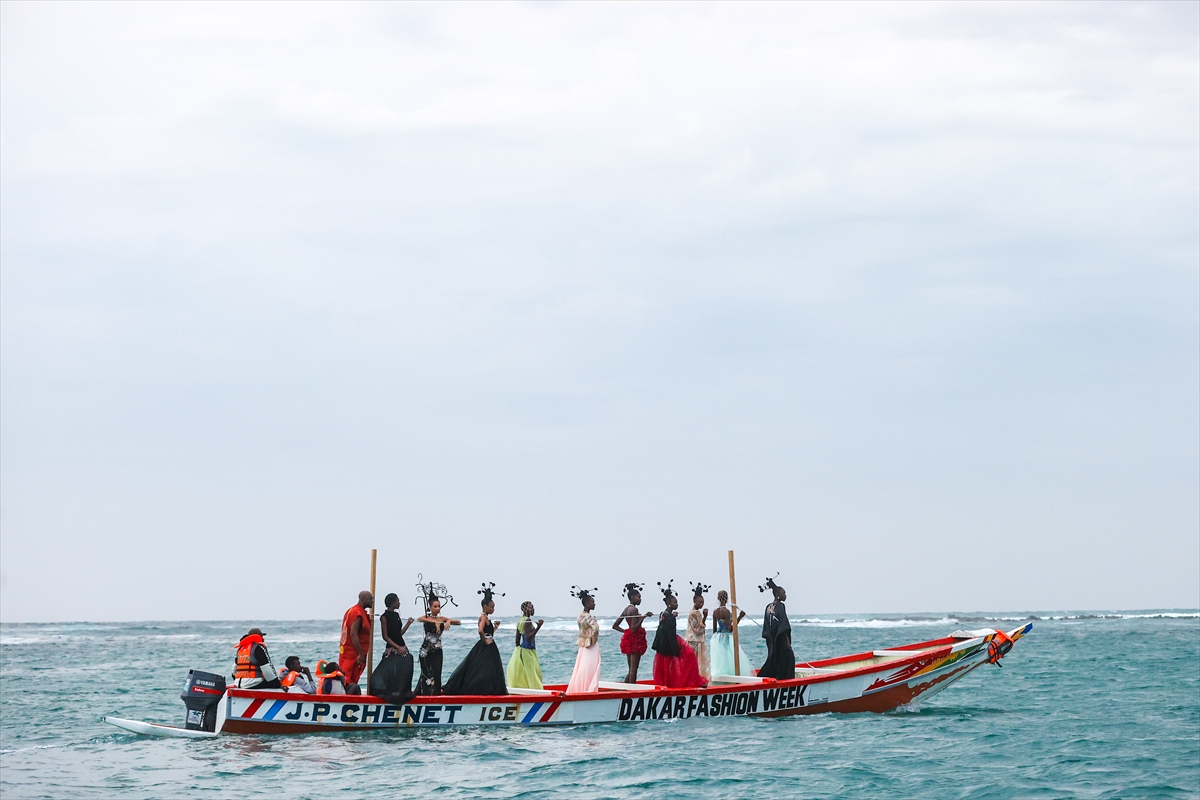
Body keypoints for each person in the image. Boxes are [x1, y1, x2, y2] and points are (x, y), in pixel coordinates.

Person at [444, 582, 508, 696]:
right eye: (492, 607)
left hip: (490, 646)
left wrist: (495, 628)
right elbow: (480, 630)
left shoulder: (486, 618)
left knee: (488, 670)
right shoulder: (483, 617)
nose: (493, 609)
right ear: (485, 607)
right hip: (486, 647)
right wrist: (485, 641)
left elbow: (488, 632)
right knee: (485, 670)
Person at [651, 581, 705, 689]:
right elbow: (670, 633)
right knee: (689, 656)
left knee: (666, 667)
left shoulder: (664, 614)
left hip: (662, 645)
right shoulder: (669, 616)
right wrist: (675, 650)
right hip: (668, 644)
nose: (677, 604)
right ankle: (691, 681)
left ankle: (671, 683)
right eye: (675, 603)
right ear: (669, 604)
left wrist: (672, 616)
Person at [416, 580, 461, 695]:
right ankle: (425, 694)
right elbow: (419, 619)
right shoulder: (426, 617)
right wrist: (433, 621)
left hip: (438, 650)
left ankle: (436, 695)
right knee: (426, 673)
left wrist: (448, 621)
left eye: (439, 606)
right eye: (435, 606)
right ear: (430, 607)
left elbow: (458, 622)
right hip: (425, 650)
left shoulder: (441, 619)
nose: (438, 608)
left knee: (437, 673)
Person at [370, 592, 415, 702]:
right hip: (392, 648)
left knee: (405, 667)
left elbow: (399, 633)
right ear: (392, 602)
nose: (399, 603)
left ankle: (402, 692)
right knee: (391, 670)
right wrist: (397, 648)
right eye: (397, 601)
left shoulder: (396, 615)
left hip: (401, 646)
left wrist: (408, 623)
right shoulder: (384, 617)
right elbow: (385, 636)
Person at [612, 582, 653, 683]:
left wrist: (626, 632)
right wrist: (644, 616)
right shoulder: (634, 609)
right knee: (634, 670)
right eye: (639, 597)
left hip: (629, 638)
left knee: (631, 669)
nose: (640, 599)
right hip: (635, 639)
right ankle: (631, 691)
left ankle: (625, 688)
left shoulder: (626, 609)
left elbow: (615, 625)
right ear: (633, 597)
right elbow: (634, 628)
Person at [758, 575, 796, 680]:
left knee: (773, 658)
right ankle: (786, 681)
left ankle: (774, 677)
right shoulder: (780, 606)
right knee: (788, 660)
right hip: (781, 640)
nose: (786, 596)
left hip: (771, 640)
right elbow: (784, 626)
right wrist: (787, 642)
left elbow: (767, 625)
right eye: (784, 593)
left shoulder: (768, 607)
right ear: (778, 595)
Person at [566, 586, 601, 694]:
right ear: (587, 603)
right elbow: (596, 628)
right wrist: (593, 635)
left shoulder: (579, 616)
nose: (594, 604)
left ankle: (581, 686)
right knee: (591, 666)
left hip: (583, 644)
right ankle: (588, 687)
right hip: (591, 644)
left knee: (582, 666)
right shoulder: (590, 617)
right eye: (592, 602)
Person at [709, 589, 751, 677]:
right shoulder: (726, 612)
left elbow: (714, 630)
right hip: (727, 636)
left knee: (722, 657)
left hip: (718, 637)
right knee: (730, 656)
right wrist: (739, 617)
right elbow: (730, 628)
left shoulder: (715, 612)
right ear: (727, 599)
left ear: (718, 598)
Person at [506, 601, 545, 690]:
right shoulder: (527, 621)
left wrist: (520, 652)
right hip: (529, 651)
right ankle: (536, 693)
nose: (533, 609)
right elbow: (528, 637)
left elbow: (517, 641)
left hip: (523, 651)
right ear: (525, 609)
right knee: (533, 674)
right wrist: (539, 627)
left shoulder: (521, 620)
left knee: (526, 673)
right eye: (531, 607)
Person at [339, 590, 374, 688]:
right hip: (353, 655)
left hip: (348, 653)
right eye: (370, 599)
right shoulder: (357, 612)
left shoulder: (353, 610)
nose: (372, 601)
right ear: (362, 599)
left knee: (348, 678)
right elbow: (353, 634)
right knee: (348, 679)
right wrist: (360, 654)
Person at [684, 582, 711, 681]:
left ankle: (697, 678)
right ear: (694, 601)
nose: (701, 604)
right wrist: (705, 617)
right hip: (693, 641)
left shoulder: (697, 612)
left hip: (697, 641)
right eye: (700, 602)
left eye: (702, 602)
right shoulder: (693, 613)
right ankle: (693, 679)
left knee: (698, 663)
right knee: (694, 663)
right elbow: (697, 630)